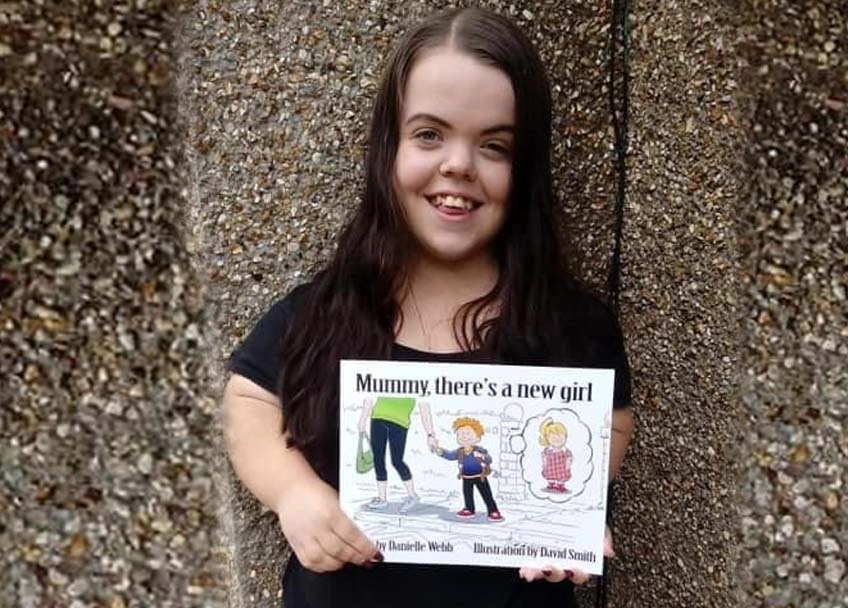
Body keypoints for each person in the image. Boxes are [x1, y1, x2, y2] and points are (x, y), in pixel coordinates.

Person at [222, 7, 634, 608]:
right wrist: (292, 492)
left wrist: (573, 512)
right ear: (387, 148)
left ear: (526, 168)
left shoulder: (572, 326)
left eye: (494, 146)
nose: (459, 164)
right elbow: (248, 400)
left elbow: (612, 418)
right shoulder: (326, 310)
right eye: (429, 135)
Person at [357, 395, 436, 513]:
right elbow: (369, 395)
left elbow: (424, 405)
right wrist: (363, 418)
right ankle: (382, 499)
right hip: (378, 417)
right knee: (378, 459)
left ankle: (412, 495)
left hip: (400, 422)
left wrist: (430, 434)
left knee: (397, 461)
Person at [434, 416, 504, 521]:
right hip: (466, 477)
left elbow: (489, 459)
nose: (464, 436)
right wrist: (441, 452)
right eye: (460, 434)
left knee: (486, 494)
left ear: (477, 437)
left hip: (480, 476)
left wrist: (482, 456)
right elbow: (450, 455)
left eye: (468, 433)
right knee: (467, 494)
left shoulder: (479, 450)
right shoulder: (460, 451)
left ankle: (493, 510)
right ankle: (469, 509)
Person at [539, 417, 573, 493]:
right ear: (547, 438)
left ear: (565, 437)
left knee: (561, 476)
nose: (557, 439)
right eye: (553, 437)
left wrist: (568, 465)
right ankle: (551, 484)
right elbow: (544, 458)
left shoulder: (565, 451)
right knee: (550, 474)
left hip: (561, 468)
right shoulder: (548, 450)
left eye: (560, 436)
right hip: (551, 467)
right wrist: (544, 464)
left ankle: (560, 485)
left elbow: (568, 458)